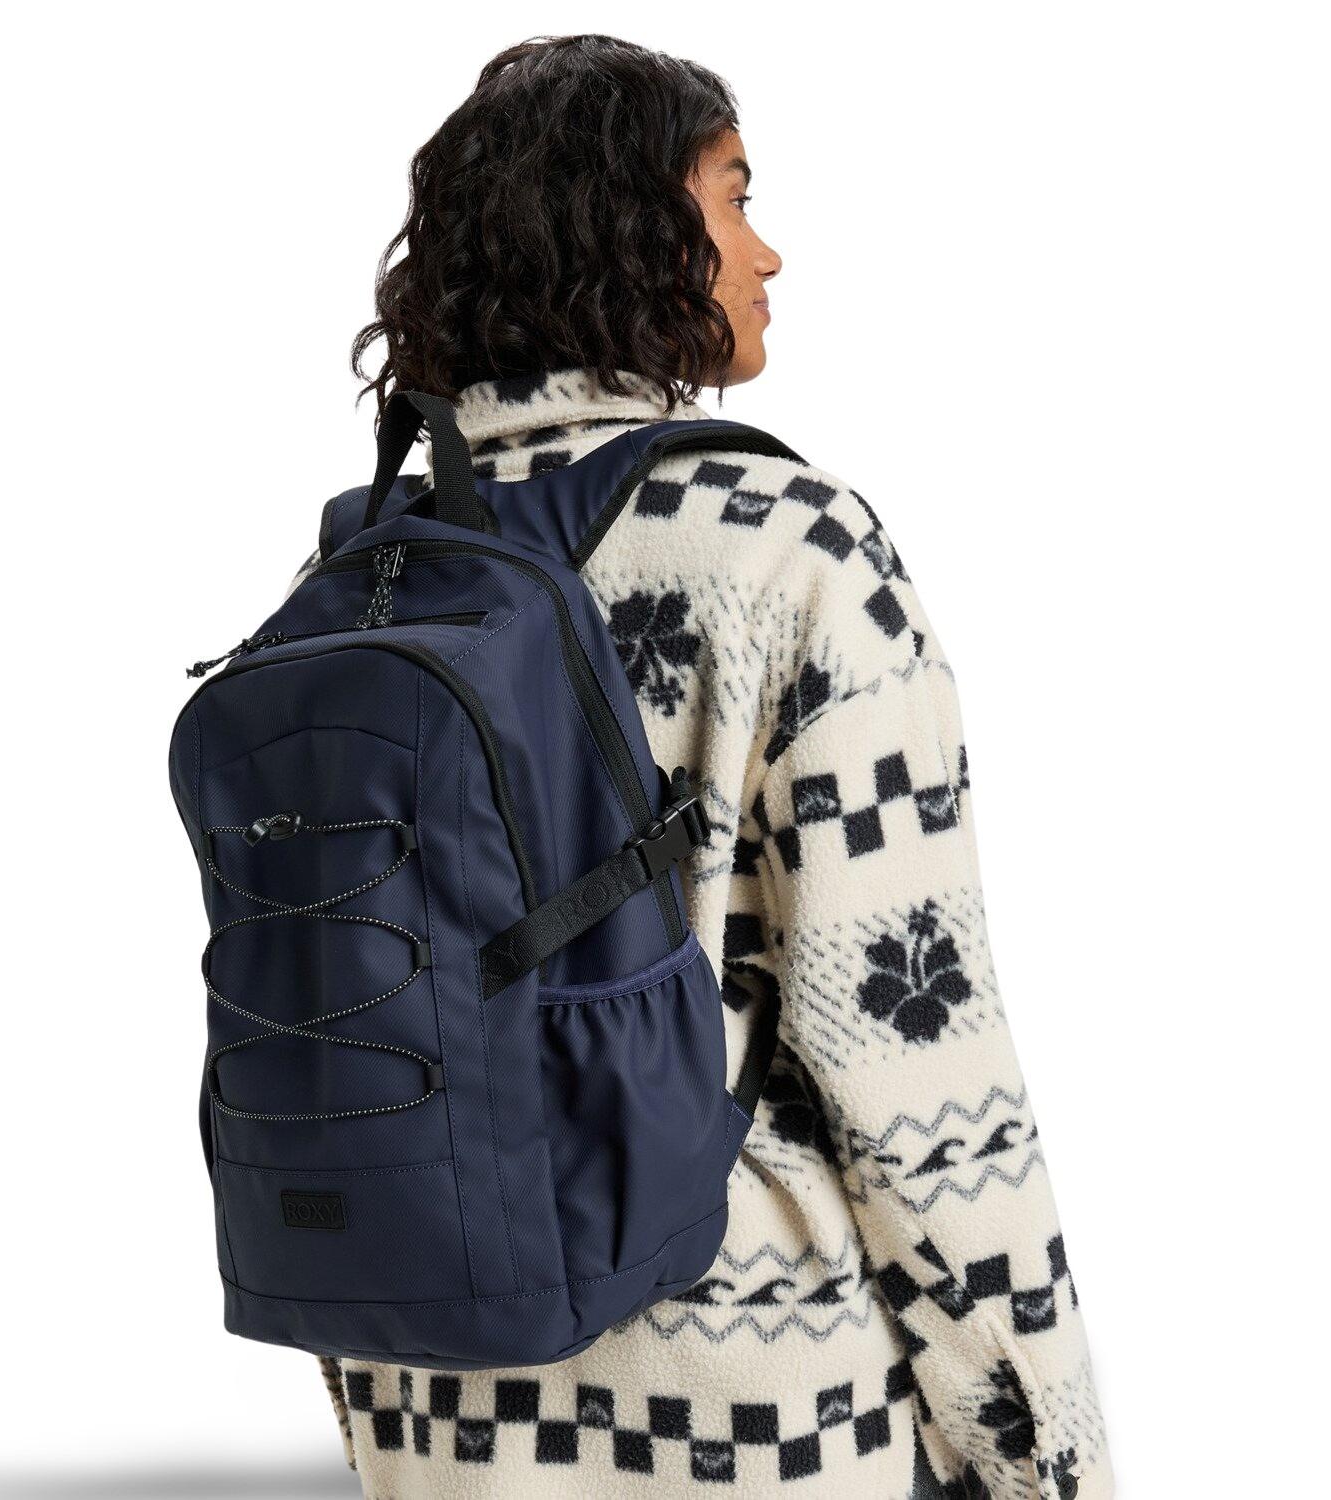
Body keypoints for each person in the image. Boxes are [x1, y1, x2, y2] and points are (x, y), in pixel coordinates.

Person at [300, 33, 1112, 1499]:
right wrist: (1044, 1447)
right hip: (765, 1409)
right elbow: (916, 1061)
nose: (767, 252)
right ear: (632, 229)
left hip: (435, 1403)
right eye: (734, 198)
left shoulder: (368, 575)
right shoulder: (791, 549)